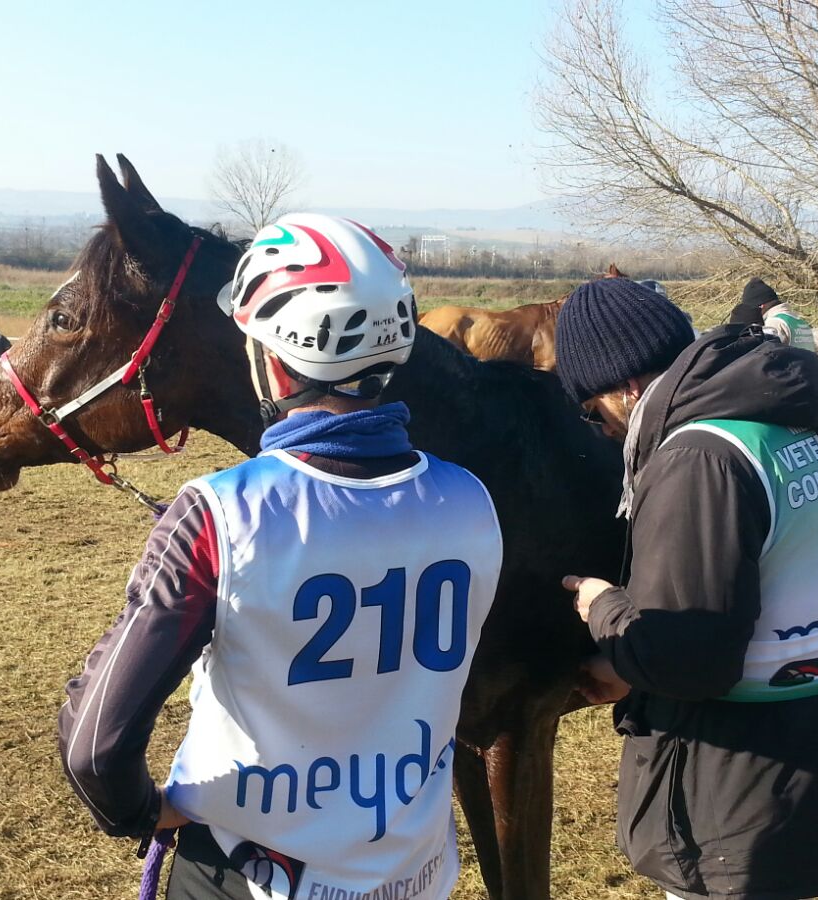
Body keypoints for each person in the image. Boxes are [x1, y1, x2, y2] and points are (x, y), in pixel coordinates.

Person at [57, 214, 503, 900]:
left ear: (271, 359)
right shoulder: (471, 500)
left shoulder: (218, 514)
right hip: (411, 874)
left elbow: (95, 746)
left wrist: (140, 812)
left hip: (248, 872)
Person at [553, 279, 818, 900]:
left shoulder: (699, 458)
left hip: (736, 788)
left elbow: (688, 662)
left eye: (593, 410)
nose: (603, 430)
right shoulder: (798, 422)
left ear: (627, 386)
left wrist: (603, 608)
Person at [728, 276, 815, 350]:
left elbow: (767, 356)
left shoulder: (774, 323)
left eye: (752, 309)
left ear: (761, 306)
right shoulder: (798, 321)